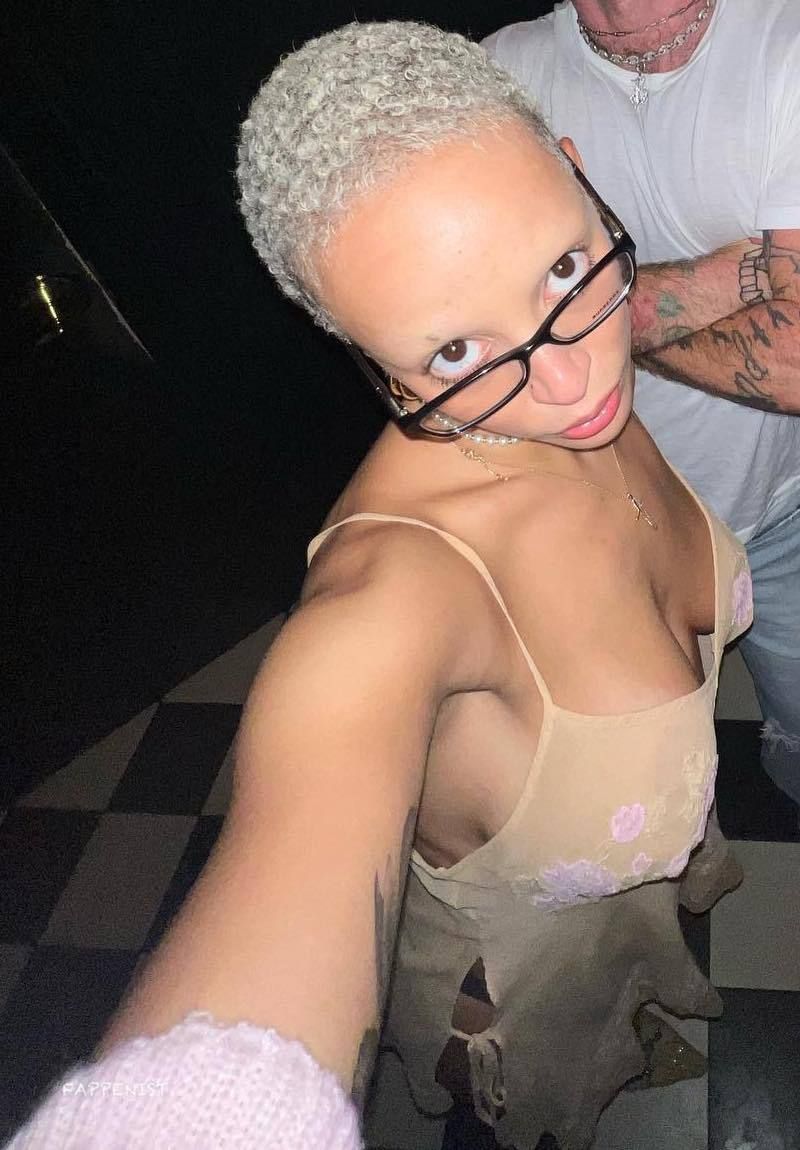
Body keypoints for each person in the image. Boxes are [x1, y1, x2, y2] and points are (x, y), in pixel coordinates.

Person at [6, 21, 753, 1150]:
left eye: (560, 268)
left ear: (575, 173)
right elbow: (285, 887)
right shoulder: (392, 598)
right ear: (357, 354)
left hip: (615, 918)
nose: (571, 378)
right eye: (452, 353)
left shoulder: (571, 367)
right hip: (509, 984)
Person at [483, 0, 800, 813]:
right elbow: (466, 327)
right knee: (639, 787)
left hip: (782, 510)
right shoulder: (496, 75)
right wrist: (736, 278)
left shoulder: (786, 40)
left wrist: (568, 321)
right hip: (594, 522)